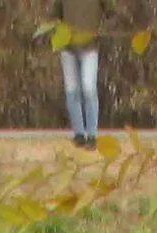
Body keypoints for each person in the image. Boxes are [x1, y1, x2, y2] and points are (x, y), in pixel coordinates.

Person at [48, 0, 105, 148]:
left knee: (88, 88)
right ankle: (79, 134)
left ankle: (92, 136)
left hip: (90, 46)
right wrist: (59, 34)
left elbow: (113, 14)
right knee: (72, 91)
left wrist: (100, 31)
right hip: (67, 48)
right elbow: (55, 15)